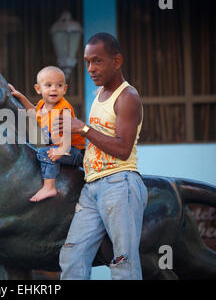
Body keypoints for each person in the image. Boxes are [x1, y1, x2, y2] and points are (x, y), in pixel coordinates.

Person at [55, 33, 148, 280]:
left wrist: (82, 128)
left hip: (120, 185)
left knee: (123, 262)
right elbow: (98, 141)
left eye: (97, 61)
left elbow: (122, 148)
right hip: (92, 186)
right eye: (87, 62)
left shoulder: (128, 97)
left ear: (117, 61)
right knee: (72, 255)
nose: (91, 69)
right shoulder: (99, 94)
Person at [8, 66, 85, 202]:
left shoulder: (64, 108)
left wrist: (60, 151)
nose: (54, 89)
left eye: (59, 85)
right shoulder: (42, 105)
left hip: (73, 151)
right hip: (57, 145)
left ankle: (49, 187)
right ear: (38, 89)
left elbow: (67, 134)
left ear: (65, 89)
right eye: (48, 85)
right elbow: (33, 111)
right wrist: (21, 97)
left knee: (44, 152)